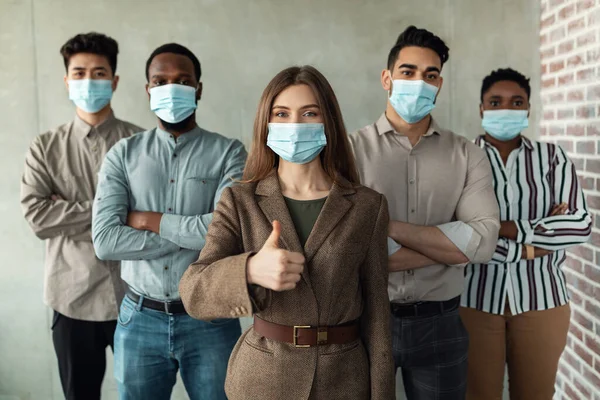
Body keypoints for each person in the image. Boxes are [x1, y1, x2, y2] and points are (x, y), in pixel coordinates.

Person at [179, 65, 395, 400]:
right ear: (266, 125)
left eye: (309, 113)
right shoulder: (240, 200)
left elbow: (378, 316)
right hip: (262, 378)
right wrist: (249, 270)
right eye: (282, 113)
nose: (294, 125)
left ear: (329, 123)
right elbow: (194, 292)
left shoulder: (367, 206)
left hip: (344, 380)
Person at [350, 26, 500, 399]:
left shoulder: (467, 154)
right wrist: (449, 248)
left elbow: (482, 242)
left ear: (440, 84)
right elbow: (348, 246)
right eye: (408, 72)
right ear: (387, 78)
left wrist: (387, 226)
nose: (420, 82)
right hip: (365, 319)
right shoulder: (348, 152)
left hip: (442, 323)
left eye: (430, 75)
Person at [91, 43, 247, 400]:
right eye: (160, 81)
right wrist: (195, 231)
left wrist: (148, 220)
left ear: (199, 88)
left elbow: (230, 233)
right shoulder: (123, 154)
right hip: (139, 317)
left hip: (210, 318)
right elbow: (106, 241)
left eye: (182, 80)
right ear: (148, 90)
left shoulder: (230, 153)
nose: (171, 89)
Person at [20, 32, 142, 400]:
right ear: (67, 80)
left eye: (99, 72)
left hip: (135, 297)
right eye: (79, 73)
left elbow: (155, 218)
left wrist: (68, 211)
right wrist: (118, 214)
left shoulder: (141, 144)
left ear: (115, 81)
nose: (89, 81)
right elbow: (39, 216)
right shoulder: (44, 147)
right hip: (70, 297)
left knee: (141, 395)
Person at [460, 68, 592, 400]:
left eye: (516, 102)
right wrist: (539, 239)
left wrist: (502, 228)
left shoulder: (554, 159)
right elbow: (456, 234)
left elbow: (579, 225)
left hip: (543, 301)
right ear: (481, 108)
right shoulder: (459, 159)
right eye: (496, 101)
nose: (506, 108)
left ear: (528, 108)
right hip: (474, 300)